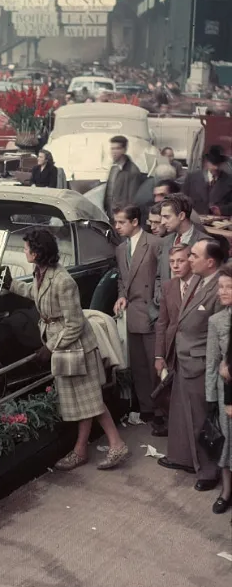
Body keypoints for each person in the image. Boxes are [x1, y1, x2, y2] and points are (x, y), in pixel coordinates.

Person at [5, 228, 129, 470]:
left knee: (91, 401)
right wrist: (12, 285)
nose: (24, 251)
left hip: (78, 348)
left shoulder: (63, 280)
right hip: (67, 347)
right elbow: (36, 293)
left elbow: (75, 323)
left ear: (38, 252)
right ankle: (82, 450)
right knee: (86, 402)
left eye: (27, 247)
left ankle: (116, 445)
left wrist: (49, 348)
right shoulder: (42, 273)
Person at [158, 238, 225, 489]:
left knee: (201, 419)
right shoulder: (198, 279)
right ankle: (185, 458)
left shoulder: (219, 287)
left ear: (210, 262)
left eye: (194, 256)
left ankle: (209, 472)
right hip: (184, 357)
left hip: (201, 362)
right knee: (183, 413)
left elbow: (220, 333)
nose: (189, 260)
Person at [113, 205, 161, 430]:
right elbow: (123, 280)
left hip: (152, 313)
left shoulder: (154, 244)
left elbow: (163, 278)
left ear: (135, 222)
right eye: (116, 222)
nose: (117, 226)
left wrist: (157, 306)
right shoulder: (120, 249)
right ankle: (147, 409)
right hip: (132, 312)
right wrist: (122, 296)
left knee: (155, 365)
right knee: (139, 366)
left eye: (121, 222)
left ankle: (161, 410)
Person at [154, 243, 193, 436]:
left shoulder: (199, 285)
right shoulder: (168, 286)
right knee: (170, 390)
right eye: (172, 262)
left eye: (181, 261)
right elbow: (162, 322)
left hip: (192, 350)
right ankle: (174, 429)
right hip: (172, 348)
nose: (175, 266)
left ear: (191, 260)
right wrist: (159, 355)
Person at [205, 265, 232, 513]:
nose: (222, 291)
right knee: (226, 443)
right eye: (220, 286)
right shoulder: (217, 321)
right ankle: (226, 491)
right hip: (226, 397)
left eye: (228, 287)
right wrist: (211, 399)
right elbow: (212, 363)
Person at [157, 193, 211, 285]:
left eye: (166, 217)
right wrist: (159, 297)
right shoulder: (165, 241)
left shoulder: (205, 243)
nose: (162, 222)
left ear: (181, 216)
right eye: (162, 217)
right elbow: (159, 277)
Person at [182, 145, 232, 216]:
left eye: (219, 164)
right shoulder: (192, 177)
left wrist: (222, 210)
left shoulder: (229, 180)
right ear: (207, 162)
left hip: (219, 223)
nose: (216, 167)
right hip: (195, 220)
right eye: (213, 164)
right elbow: (182, 200)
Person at [104, 135, 141, 217]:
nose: (113, 152)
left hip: (122, 217)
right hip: (111, 214)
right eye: (112, 148)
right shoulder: (114, 167)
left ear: (124, 150)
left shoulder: (132, 171)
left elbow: (132, 200)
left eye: (117, 148)